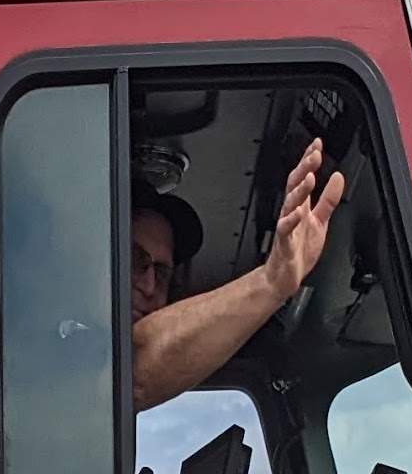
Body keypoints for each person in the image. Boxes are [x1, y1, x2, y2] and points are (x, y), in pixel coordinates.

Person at [131, 135, 346, 411]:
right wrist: (271, 282)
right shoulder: (66, 350)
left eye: (161, 272)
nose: (149, 285)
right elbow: (131, 371)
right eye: (136, 260)